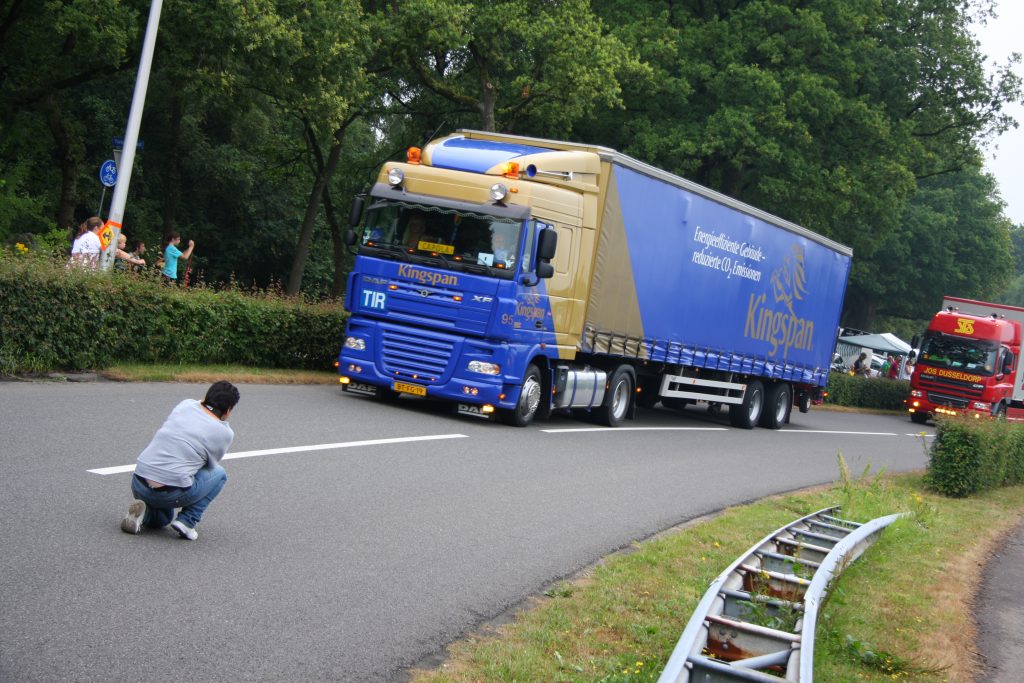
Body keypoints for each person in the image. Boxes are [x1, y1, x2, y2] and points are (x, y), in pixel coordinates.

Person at [120, 381, 240, 540]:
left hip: (139, 483)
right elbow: (209, 465)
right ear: (228, 410)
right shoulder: (224, 432)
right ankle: (187, 521)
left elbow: (199, 405)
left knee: (162, 519)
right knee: (219, 474)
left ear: (206, 397)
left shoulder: (185, 405)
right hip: (171, 492)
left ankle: (142, 514)